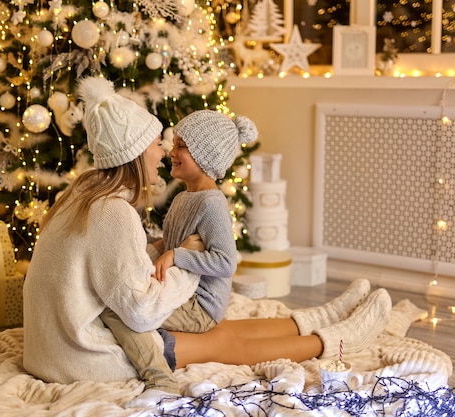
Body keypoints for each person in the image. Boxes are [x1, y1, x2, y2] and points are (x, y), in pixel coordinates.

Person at [22, 76, 392, 398]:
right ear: (134, 153)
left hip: (54, 345)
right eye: (156, 143)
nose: (162, 152)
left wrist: (168, 253)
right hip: (84, 354)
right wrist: (182, 256)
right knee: (224, 342)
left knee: (219, 326)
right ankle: (338, 339)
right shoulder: (111, 211)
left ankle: (322, 316)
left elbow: (117, 265)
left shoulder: (83, 194)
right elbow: (140, 310)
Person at [100, 110, 257, 402]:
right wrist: (152, 246)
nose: (171, 152)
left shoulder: (212, 204)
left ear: (205, 157)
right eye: (175, 144)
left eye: (181, 147)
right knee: (121, 297)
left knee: (121, 309)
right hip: (179, 288)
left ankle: (159, 377)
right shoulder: (185, 196)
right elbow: (171, 242)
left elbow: (225, 263)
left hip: (200, 305)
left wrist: (176, 255)